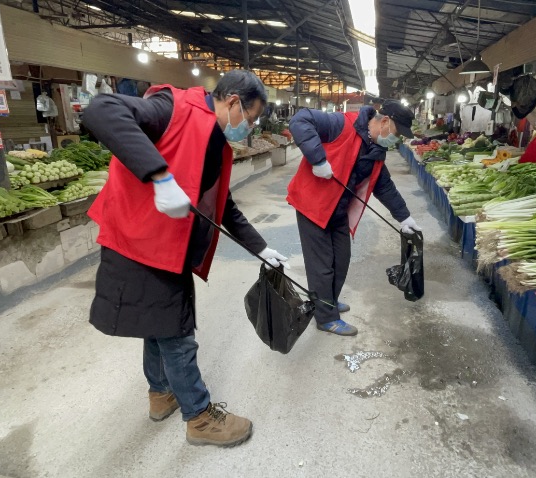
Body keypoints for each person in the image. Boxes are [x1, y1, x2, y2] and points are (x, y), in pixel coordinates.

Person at [82, 70, 289, 448]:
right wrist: (160, 176)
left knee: (156, 320)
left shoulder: (216, 141)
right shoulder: (172, 108)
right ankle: (199, 416)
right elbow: (101, 109)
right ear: (233, 102)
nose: (252, 126)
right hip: (138, 238)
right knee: (177, 330)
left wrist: (260, 247)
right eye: (252, 117)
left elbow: (222, 206)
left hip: (165, 244)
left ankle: (161, 393)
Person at [287, 100, 421, 336]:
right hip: (313, 206)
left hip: (338, 209)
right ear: (385, 122)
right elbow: (300, 120)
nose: (397, 141)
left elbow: (385, 187)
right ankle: (326, 317)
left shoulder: (376, 152)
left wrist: (405, 218)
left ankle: (327, 299)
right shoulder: (340, 123)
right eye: (398, 134)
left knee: (341, 259)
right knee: (322, 266)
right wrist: (317, 159)